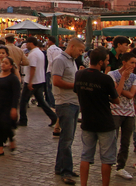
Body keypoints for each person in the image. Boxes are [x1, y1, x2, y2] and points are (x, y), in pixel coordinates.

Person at [74, 47, 120, 186]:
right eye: (106, 60)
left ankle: (83, 184)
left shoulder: (79, 75)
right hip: (104, 122)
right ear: (100, 62)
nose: (107, 62)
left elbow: (77, 91)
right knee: (107, 159)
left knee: (86, 156)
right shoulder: (105, 79)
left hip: (88, 120)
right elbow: (116, 99)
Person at [52, 38, 85, 185]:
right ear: (72, 47)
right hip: (65, 103)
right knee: (67, 139)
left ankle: (60, 167)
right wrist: (75, 86)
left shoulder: (72, 60)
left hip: (72, 102)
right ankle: (66, 170)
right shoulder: (60, 60)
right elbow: (56, 81)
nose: (81, 53)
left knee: (67, 137)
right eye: (80, 50)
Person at [107, 51, 136, 180]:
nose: (134, 65)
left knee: (126, 142)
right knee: (112, 139)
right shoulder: (112, 74)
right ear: (124, 62)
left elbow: (131, 95)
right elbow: (116, 95)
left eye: (135, 63)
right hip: (115, 111)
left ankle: (121, 167)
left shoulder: (134, 77)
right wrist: (123, 78)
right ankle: (108, 164)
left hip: (129, 112)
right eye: (132, 62)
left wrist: (118, 87)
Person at [18, 36, 57, 127]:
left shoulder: (33, 54)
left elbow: (33, 68)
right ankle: (53, 116)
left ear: (31, 43)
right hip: (40, 80)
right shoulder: (39, 52)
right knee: (41, 101)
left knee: (23, 101)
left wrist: (30, 81)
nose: (26, 45)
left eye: (27, 43)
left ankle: (23, 119)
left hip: (33, 81)